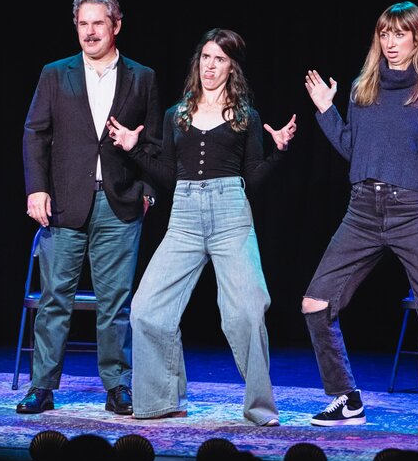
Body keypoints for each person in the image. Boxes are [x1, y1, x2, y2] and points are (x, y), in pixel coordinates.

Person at [301, 1, 418, 435]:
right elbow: (355, 150)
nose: (391, 43)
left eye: (400, 34)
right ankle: (346, 397)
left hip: (415, 210)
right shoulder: (361, 88)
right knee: (315, 303)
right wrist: (327, 110)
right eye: (385, 34)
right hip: (363, 208)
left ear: (417, 39)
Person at [107, 28, 297, 425]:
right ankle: (163, 400)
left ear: (232, 68)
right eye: (206, 57)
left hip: (231, 215)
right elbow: (169, 174)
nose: (210, 66)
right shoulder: (176, 114)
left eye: (220, 59)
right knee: (146, 310)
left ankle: (260, 407)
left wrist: (278, 152)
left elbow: (254, 177)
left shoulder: (247, 118)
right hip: (186, 217)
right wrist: (134, 147)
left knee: (246, 312)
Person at [19, 0, 162, 415]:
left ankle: (118, 385)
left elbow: (155, 142)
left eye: (99, 23)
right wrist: (35, 188)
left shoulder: (143, 77)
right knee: (54, 299)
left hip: (119, 204)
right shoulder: (54, 73)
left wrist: (149, 191)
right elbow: (34, 134)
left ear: (116, 25)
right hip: (63, 203)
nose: (90, 32)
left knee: (115, 302)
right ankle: (42, 386)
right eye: (83, 24)